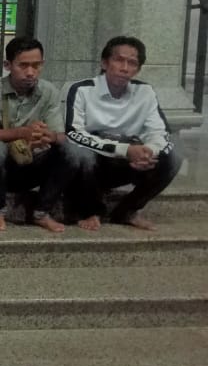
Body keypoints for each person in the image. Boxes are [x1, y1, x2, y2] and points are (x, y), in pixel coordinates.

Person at [64, 36, 182, 231]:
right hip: (93, 164)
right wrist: (125, 150)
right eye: (119, 60)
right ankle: (91, 211)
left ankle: (128, 211)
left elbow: (159, 131)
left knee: (174, 155)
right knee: (77, 152)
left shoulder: (145, 92)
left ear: (138, 69)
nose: (125, 68)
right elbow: (74, 134)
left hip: (130, 163)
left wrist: (148, 152)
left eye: (132, 63)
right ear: (104, 63)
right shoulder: (82, 90)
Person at [0, 37, 68, 232]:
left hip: (30, 165)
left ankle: (41, 212)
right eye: (23, 65)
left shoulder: (49, 91)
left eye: (36, 65)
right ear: (8, 65)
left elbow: (60, 135)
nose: (30, 72)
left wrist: (49, 136)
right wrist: (22, 132)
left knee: (70, 150)